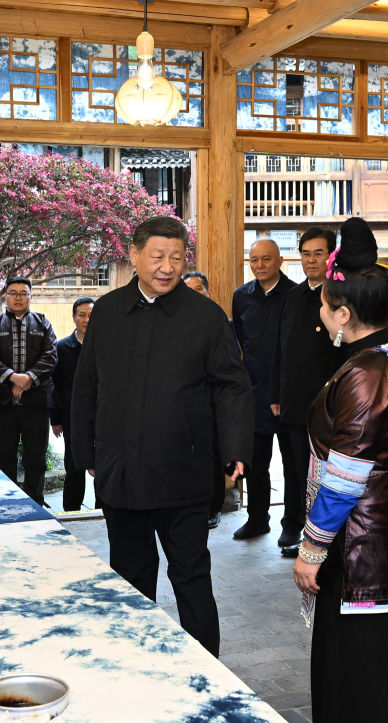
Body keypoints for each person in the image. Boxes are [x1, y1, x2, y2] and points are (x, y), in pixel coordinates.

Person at [71, 216, 253, 656]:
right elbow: (86, 384)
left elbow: (233, 384)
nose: (167, 267)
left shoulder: (206, 316)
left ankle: (207, 666)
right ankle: (135, 662)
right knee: (129, 576)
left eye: (176, 257)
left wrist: (234, 449)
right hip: (122, 471)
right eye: (157, 256)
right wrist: (84, 450)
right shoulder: (109, 311)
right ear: (133, 256)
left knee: (190, 573)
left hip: (183, 472)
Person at [292, 217, 388, 723]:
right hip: (377, 532)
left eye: (324, 307)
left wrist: (311, 549)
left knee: (358, 674)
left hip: (361, 541)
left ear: (343, 313)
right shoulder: (384, 357)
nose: (320, 316)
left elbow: (345, 476)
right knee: (367, 668)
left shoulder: (367, 372)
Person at [270, 228, 344, 558]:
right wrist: (276, 393)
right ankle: (301, 532)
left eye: (318, 253)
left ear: (332, 256)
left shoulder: (340, 297)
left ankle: (325, 539)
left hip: (329, 408)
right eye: (306, 253)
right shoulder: (292, 296)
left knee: (327, 476)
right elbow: (280, 350)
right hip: (293, 404)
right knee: (297, 472)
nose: (311, 260)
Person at [232, 240, 298, 543]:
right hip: (255, 392)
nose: (259, 265)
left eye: (266, 259)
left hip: (287, 392)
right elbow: (241, 343)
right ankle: (257, 519)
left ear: (280, 260)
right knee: (256, 462)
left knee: (292, 464)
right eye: (254, 259)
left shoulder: (297, 295)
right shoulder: (241, 296)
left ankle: (292, 523)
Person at [0, 276, 57, 505]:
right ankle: (7, 503)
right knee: (4, 456)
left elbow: (50, 356)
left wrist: (28, 379)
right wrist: (13, 378)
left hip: (36, 403)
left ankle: (36, 502)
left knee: (36, 458)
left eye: (23, 293)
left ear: (31, 297)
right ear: (5, 296)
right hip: (3, 402)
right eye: (13, 293)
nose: (18, 297)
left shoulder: (43, 323)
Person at [182, 270, 227, 529]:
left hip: (215, 401)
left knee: (214, 456)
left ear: (208, 292)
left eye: (199, 290)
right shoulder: (179, 324)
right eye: (189, 291)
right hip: (190, 403)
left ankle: (214, 506)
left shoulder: (221, 321)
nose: (195, 296)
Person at [49, 296, 94, 512]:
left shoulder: (107, 345)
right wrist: (56, 419)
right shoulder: (61, 347)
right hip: (72, 416)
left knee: (103, 467)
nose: (86, 319)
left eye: (91, 315)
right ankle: (71, 512)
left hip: (102, 416)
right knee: (74, 467)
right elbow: (55, 387)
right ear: (74, 317)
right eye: (82, 315)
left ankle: (103, 512)